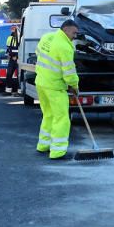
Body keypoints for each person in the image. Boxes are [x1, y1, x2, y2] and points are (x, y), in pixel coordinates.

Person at [35, 19, 80, 160]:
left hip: (41, 83)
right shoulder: (65, 47)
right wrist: (74, 86)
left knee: (48, 115)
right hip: (54, 87)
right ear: (66, 30)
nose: (75, 36)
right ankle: (57, 151)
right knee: (61, 119)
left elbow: (38, 52)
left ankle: (43, 145)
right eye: (74, 32)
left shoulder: (47, 37)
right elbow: (69, 72)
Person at [4, 24, 20, 95]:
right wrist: (9, 55)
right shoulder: (9, 38)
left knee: (19, 75)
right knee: (8, 74)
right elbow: (8, 48)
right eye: (12, 29)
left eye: (14, 29)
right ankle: (8, 91)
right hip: (12, 59)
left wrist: (16, 56)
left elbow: (20, 48)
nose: (12, 30)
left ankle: (19, 91)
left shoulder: (19, 38)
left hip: (18, 59)